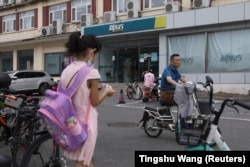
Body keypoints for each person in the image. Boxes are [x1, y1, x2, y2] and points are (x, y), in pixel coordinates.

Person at [61, 32, 116, 167]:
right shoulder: (92, 72)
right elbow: (95, 102)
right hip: (86, 124)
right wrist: (107, 92)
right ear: (92, 51)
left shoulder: (67, 70)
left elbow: (73, 92)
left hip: (71, 122)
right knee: (82, 162)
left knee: (85, 160)